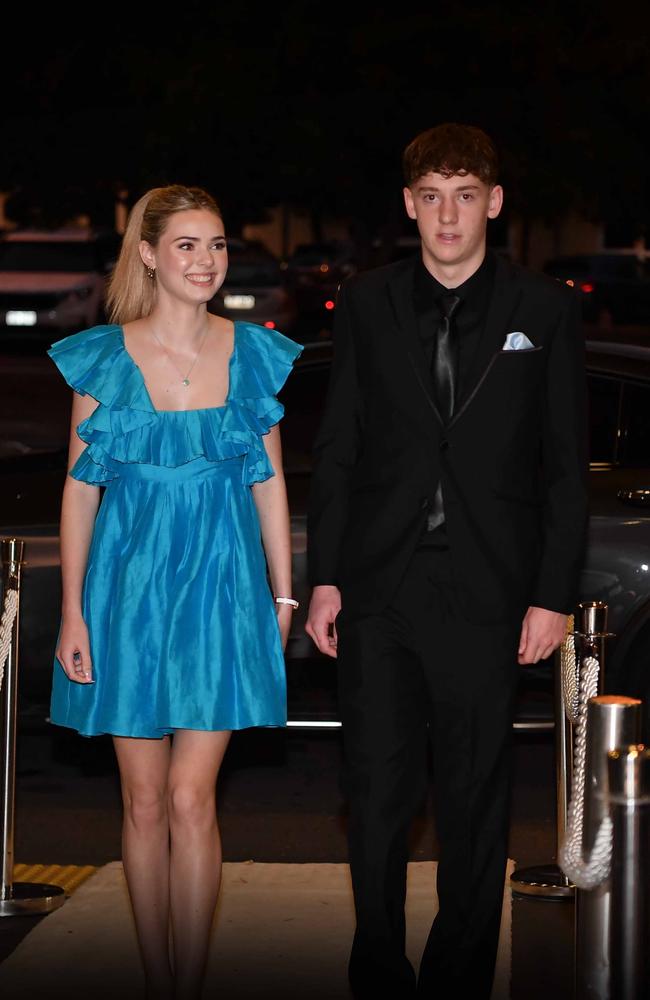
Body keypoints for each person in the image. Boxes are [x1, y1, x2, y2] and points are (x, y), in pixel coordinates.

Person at [305, 123, 588, 998]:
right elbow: (341, 448)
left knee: (474, 802)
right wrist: (325, 576)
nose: (448, 215)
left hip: (489, 593)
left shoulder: (543, 310)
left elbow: (564, 469)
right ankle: (379, 974)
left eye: (465, 196)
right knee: (378, 800)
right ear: (409, 206)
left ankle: (460, 977)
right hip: (380, 591)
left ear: (494, 203)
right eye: (431, 197)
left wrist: (551, 596)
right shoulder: (366, 301)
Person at [49, 184, 302, 1000]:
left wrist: (283, 597)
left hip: (223, 585)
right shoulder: (100, 356)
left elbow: (270, 484)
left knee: (195, 798)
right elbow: (80, 491)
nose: (206, 260)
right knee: (146, 799)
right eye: (188, 244)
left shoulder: (256, 352)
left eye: (218, 244)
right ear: (150, 255)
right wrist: (72, 612)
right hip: (127, 586)